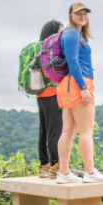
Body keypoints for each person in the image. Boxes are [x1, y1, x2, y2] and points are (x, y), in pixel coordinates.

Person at [55, 2, 103, 184]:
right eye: (78, 13)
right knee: (87, 130)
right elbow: (72, 61)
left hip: (67, 84)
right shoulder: (72, 33)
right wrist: (84, 88)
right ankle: (90, 173)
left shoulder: (71, 33)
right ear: (71, 15)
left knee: (68, 131)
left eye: (85, 13)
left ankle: (63, 173)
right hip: (78, 83)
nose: (83, 16)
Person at [36, 19, 64, 179]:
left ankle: (44, 166)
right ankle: (56, 166)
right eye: (60, 31)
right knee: (55, 130)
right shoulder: (51, 48)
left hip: (40, 94)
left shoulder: (39, 48)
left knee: (44, 130)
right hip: (53, 93)